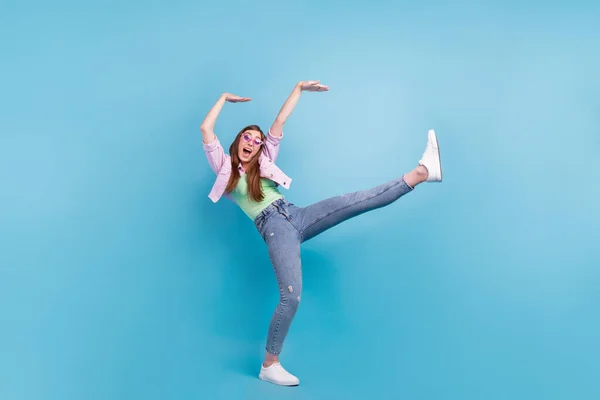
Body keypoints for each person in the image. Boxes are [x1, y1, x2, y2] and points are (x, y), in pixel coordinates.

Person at [200, 80, 442, 386]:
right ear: (237, 142)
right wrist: (222, 97)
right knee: (291, 297)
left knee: (355, 202)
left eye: (258, 141)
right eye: (247, 137)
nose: (252, 142)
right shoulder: (226, 169)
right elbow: (206, 131)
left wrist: (298, 89)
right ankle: (269, 364)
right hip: (274, 229)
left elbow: (279, 122)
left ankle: (421, 172)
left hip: (296, 214)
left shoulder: (265, 162)